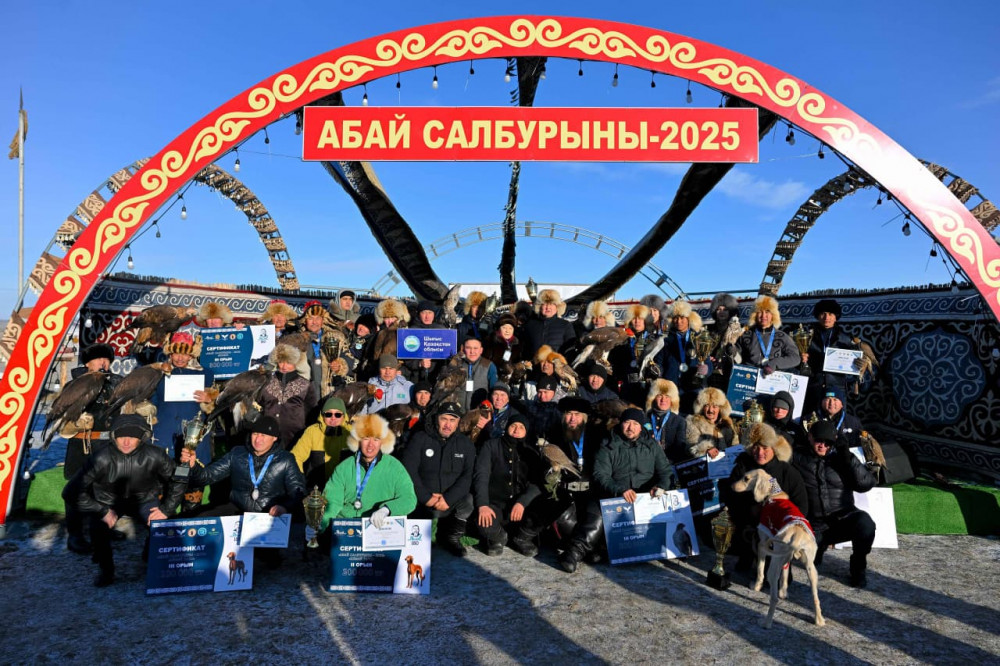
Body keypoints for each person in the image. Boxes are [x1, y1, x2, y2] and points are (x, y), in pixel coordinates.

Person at [77, 414, 185, 587]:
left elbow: (178, 481)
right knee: (97, 528)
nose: (126, 441)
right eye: (121, 436)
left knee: (163, 525)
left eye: (132, 436)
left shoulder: (155, 455)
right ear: (114, 436)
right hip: (108, 501)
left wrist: (166, 509)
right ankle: (106, 569)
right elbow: (73, 491)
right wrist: (101, 510)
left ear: (141, 438)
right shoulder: (100, 458)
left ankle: (151, 555)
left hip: (145, 499)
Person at [560, 408, 673, 573]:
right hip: (613, 495)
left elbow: (665, 472)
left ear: (641, 427)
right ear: (621, 424)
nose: (630, 427)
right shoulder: (608, 445)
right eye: (627, 423)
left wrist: (661, 486)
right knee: (596, 518)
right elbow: (601, 475)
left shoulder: (652, 447)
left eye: (635, 424)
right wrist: (620, 490)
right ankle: (573, 552)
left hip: (644, 498)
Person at [181, 416, 306, 530]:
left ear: (274, 438)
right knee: (202, 521)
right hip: (238, 510)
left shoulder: (286, 459)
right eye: (255, 433)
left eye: (264, 435)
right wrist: (193, 466)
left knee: (266, 552)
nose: (258, 439)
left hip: (268, 515)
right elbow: (207, 476)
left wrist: (284, 507)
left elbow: (298, 492)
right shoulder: (237, 453)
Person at [793, 420, 877, 587]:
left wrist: (848, 458)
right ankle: (819, 548)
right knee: (809, 560)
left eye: (828, 442)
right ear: (810, 437)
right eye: (819, 441)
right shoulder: (798, 457)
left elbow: (866, 484)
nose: (823, 445)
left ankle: (858, 567)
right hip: (813, 525)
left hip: (842, 519)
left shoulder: (842, 459)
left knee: (865, 524)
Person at [60, 343, 124, 554]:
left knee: (108, 489)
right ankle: (75, 536)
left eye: (106, 359)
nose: (103, 362)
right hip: (83, 444)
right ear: (87, 363)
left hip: (108, 444)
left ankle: (105, 528)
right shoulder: (76, 384)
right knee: (79, 489)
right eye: (98, 359)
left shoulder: (116, 382)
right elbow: (63, 415)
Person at [312, 414, 417, 538]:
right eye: (366, 438)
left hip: (378, 530)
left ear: (382, 442)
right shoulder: (344, 468)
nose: (371, 445)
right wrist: (319, 525)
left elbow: (409, 499)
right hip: (347, 530)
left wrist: (387, 509)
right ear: (358, 440)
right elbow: (332, 501)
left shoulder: (394, 467)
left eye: (376, 439)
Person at [723, 422, 808, 571]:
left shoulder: (787, 472)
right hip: (749, 525)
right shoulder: (742, 467)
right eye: (755, 447)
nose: (759, 452)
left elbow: (801, 505)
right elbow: (731, 496)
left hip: (780, 530)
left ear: (773, 449)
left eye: (764, 447)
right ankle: (747, 556)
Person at [401, 402, 476, 557]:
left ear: (458, 423)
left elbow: (467, 476)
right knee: (418, 547)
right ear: (437, 420)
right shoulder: (420, 438)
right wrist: (426, 497)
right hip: (422, 500)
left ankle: (451, 537)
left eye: (452, 420)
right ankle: (421, 539)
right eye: (444, 419)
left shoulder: (465, 444)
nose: (447, 425)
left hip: (449, 501)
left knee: (468, 501)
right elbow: (409, 471)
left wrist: (448, 499)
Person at [473, 413, 547, 556]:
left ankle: (521, 538)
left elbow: (537, 482)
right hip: (496, 505)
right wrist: (483, 505)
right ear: (507, 428)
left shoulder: (531, 451)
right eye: (513, 426)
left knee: (544, 506)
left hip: (522, 508)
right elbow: (481, 476)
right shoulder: (491, 446)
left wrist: (522, 502)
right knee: (481, 520)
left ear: (526, 431)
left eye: (521, 427)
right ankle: (498, 538)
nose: (516, 430)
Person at [802, 299, 860, 413]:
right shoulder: (807, 336)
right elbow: (797, 362)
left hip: (837, 387)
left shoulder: (846, 339)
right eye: (823, 313)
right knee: (811, 419)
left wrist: (859, 365)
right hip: (813, 386)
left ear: (836, 317)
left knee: (835, 420)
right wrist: (801, 359)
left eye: (830, 314)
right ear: (817, 315)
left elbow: (852, 369)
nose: (826, 317)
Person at [260, 344, 319, 449]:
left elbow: (312, 411)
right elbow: (259, 405)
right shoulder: (265, 382)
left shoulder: (306, 384)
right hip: (268, 434)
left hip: (296, 435)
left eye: (288, 362)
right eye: (281, 362)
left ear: (295, 363)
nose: (284, 366)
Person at [657, 300, 710, 413]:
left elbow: (708, 362)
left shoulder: (699, 339)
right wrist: (658, 372)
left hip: (693, 388)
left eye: (682, 318)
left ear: (688, 319)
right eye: (676, 318)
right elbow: (659, 362)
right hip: (671, 389)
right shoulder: (665, 340)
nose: (679, 321)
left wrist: (706, 369)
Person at [291, 396, 352, 489]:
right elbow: (296, 456)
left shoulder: (352, 433)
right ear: (322, 416)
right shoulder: (312, 431)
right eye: (328, 414)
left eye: (338, 415)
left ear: (344, 416)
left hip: (344, 487)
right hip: (317, 488)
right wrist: (300, 479)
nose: (333, 418)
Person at [608, 303, 660, 406]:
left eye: (640, 318)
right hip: (626, 386)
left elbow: (659, 362)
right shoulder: (622, 339)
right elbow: (615, 362)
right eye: (634, 318)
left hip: (647, 387)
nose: (637, 322)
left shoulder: (654, 340)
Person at [736, 296, 800, 374]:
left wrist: (775, 363)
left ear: (773, 315)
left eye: (767, 311)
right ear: (755, 315)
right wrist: (732, 352)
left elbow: (795, 358)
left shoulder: (782, 336)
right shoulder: (746, 335)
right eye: (760, 311)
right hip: (749, 379)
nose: (763, 316)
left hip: (774, 380)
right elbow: (737, 359)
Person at [685, 387, 739, 459]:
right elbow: (690, 446)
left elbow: (734, 444)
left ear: (720, 408)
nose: (710, 410)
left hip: (725, 463)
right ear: (701, 407)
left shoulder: (727, 423)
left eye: (715, 406)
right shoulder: (693, 422)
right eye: (707, 405)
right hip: (702, 464)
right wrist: (706, 449)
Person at [523, 289, 576, 359]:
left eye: (551, 304)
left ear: (557, 307)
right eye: (544, 304)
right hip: (534, 367)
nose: (548, 307)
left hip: (556, 367)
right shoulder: (529, 325)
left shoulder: (566, 325)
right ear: (539, 306)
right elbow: (524, 349)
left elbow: (570, 349)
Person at [645, 379, 688, 464]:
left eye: (667, 396)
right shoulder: (645, 419)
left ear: (672, 400)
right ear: (653, 398)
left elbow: (679, 448)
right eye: (659, 395)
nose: (663, 400)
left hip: (669, 464)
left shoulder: (679, 421)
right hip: (647, 463)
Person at [706, 292, 743, 389]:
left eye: (725, 310)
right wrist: (707, 358)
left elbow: (740, 359)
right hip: (710, 374)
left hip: (730, 374)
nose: (721, 312)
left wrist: (733, 353)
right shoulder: (708, 330)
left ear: (731, 312)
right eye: (718, 309)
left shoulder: (738, 331)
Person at [452, 336, 497, 411]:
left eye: (475, 348)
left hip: (478, 413)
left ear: (481, 350)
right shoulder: (455, 364)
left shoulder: (488, 365)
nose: (472, 352)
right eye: (468, 348)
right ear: (463, 349)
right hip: (457, 411)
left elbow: (494, 391)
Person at [485, 313, 524, 383]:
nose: (507, 331)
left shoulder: (517, 344)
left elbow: (517, 361)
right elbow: (486, 363)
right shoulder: (491, 341)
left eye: (510, 328)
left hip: (511, 382)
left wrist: (518, 369)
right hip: (493, 379)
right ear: (499, 328)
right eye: (504, 327)